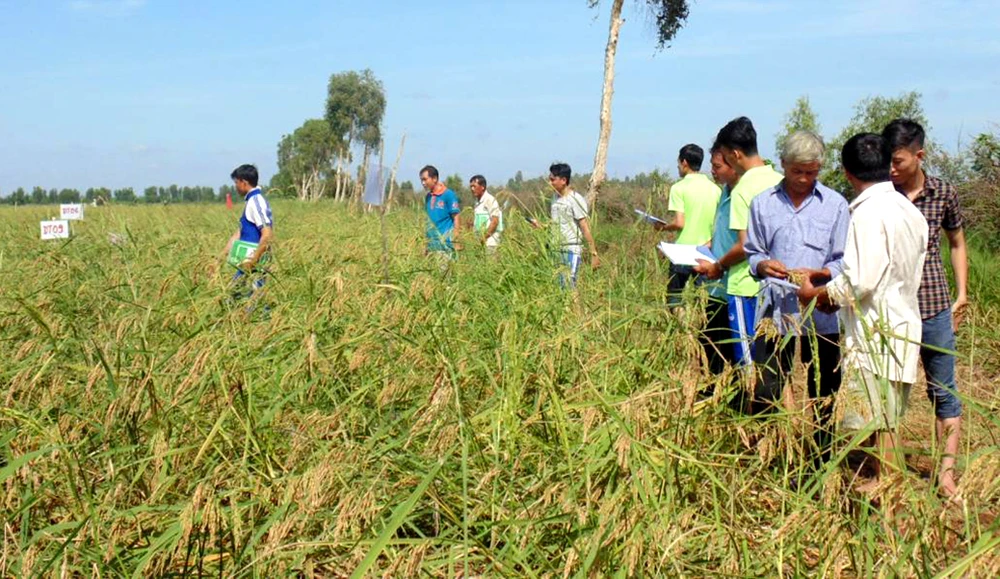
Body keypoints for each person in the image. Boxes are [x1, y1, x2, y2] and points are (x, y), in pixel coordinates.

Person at [797, 133, 927, 488]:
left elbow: (859, 283)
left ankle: (885, 503)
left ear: (846, 172)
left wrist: (817, 294)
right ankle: (886, 502)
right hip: (901, 328)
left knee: (877, 428)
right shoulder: (909, 212)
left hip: (875, 337)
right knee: (886, 424)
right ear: (888, 165)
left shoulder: (869, 214)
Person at [744, 131, 849, 468]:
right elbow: (752, 254)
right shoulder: (762, 203)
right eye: (798, 171)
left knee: (824, 392)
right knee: (768, 388)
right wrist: (762, 264)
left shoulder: (835, 205)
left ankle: (821, 462)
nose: (805, 179)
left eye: (812, 172)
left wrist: (821, 276)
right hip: (775, 315)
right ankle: (772, 457)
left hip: (823, 314)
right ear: (784, 164)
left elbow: (844, 260)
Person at [883, 119, 967, 498]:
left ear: (919, 155)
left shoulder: (944, 193)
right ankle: (888, 470)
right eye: (888, 160)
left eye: (899, 160)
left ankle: (946, 474)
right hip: (893, 308)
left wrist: (961, 291)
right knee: (891, 393)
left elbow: (956, 242)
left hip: (934, 305)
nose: (892, 168)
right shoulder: (883, 194)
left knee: (943, 391)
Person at [695, 117, 783, 368]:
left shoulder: (745, 188)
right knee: (770, 360)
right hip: (775, 286)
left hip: (743, 285)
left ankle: (746, 405)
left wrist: (718, 266)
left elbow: (746, 245)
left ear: (734, 155)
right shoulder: (778, 180)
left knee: (745, 363)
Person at [655, 144, 721, 306]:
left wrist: (662, 227)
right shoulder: (716, 190)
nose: (678, 166)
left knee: (674, 298)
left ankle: (684, 329)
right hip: (706, 252)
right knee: (703, 299)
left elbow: (679, 223)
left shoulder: (678, 188)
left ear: (684, 162)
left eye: (678, 162)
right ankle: (698, 327)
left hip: (682, 252)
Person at [700, 146, 740, 375]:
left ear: (734, 164)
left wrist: (719, 265)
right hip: (715, 287)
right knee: (709, 343)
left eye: (717, 167)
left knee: (731, 352)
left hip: (732, 286)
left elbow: (745, 244)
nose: (713, 172)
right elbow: (723, 234)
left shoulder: (744, 194)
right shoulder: (724, 191)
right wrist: (707, 246)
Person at [529, 162, 600, 287]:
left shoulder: (575, 199)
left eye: (552, 180)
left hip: (571, 249)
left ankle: (575, 307)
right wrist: (541, 226)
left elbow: (585, 227)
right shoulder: (554, 199)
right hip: (557, 249)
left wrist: (593, 253)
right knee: (561, 288)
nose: (550, 183)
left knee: (569, 285)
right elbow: (555, 224)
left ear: (563, 180)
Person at [224, 164, 273, 304]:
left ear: (244, 183)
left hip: (255, 265)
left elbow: (267, 234)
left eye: (236, 182)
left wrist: (252, 261)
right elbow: (239, 233)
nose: (235, 186)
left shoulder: (256, 202)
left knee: (255, 303)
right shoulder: (251, 201)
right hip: (246, 263)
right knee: (233, 298)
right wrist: (220, 258)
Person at [420, 165, 461, 258]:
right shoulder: (428, 197)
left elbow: (456, 217)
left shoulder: (448, 194)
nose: (423, 183)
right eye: (421, 180)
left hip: (445, 246)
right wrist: (425, 244)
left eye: (425, 179)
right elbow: (427, 221)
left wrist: (456, 240)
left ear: (434, 178)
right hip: (431, 246)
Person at [470, 175, 503, 252]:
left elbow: (495, 222)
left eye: (474, 186)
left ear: (482, 187)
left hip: (490, 243)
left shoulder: (490, 200)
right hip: (479, 243)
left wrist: (483, 238)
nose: (472, 189)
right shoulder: (477, 202)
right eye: (471, 187)